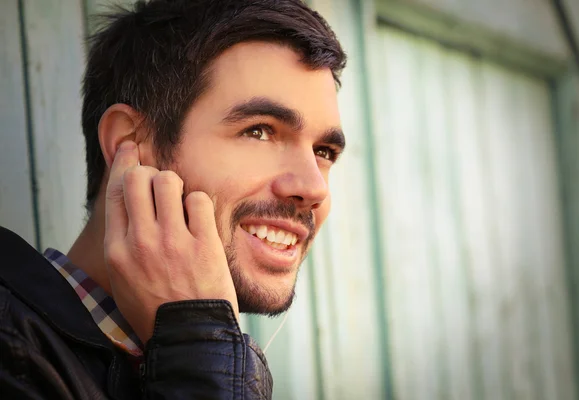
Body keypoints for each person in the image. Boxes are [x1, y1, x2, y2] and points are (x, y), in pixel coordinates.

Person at [0, 0, 347, 398]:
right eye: (259, 131)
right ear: (131, 144)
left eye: (324, 152)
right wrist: (200, 344)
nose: (314, 187)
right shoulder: (13, 351)